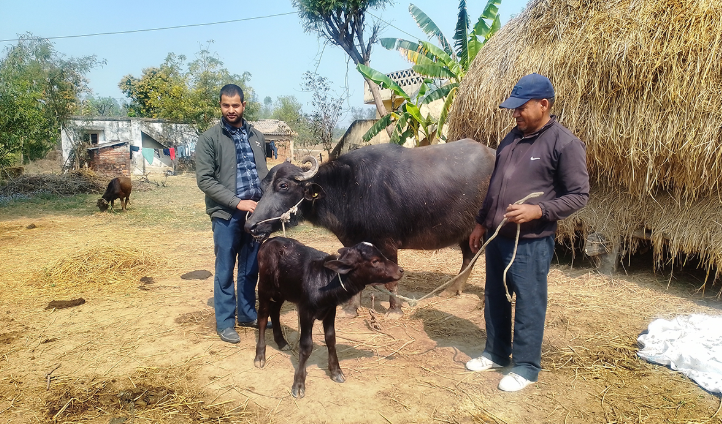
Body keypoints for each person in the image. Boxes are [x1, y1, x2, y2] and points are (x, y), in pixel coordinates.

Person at [465, 73, 589, 391]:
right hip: (498, 238)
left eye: (521, 107)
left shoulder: (565, 144)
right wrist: (481, 221)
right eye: (513, 108)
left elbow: (579, 195)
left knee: (529, 301)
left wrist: (539, 210)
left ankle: (526, 366)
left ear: (544, 104)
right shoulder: (511, 138)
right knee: (494, 297)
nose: (515, 113)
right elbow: (495, 187)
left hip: (531, 242)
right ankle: (495, 352)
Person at [196, 84, 270, 344]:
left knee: (251, 269)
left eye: (235, 105)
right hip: (226, 215)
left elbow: (263, 174)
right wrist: (237, 202)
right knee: (226, 270)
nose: (231, 110)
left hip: (255, 214)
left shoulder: (257, 136)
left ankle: (248, 314)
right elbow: (204, 180)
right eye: (226, 105)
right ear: (220, 106)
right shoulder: (209, 139)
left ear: (243, 106)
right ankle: (226, 322)